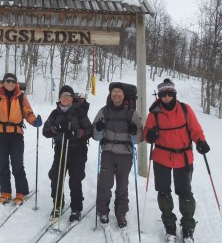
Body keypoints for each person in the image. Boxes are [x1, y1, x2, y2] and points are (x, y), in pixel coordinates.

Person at [143, 78, 210, 242]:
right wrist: (150, 135)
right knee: (164, 192)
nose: (166, 97)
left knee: (185, 193)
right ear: (159, 96)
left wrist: (200, 141)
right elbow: (146, 133)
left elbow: (195, 129)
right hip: (161, 157)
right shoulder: (154, 113)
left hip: (183, 157)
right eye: (163, 94)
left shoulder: (185, 110)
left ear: (174, 94)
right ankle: (169, 226)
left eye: (169, 94)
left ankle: (187, 227)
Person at [0, 73, 42, 205]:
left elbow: (28, 112)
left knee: (17, 164)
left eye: (14, 81)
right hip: (0, 133)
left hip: (16, 134)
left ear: (16, 84)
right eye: (8, 81)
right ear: (3, 82)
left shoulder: (20, 97)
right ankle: (5, 192)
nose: (11, 83)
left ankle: (21, 192)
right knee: (2, 164)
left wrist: (34, 120)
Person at [92, 83, 143, 228]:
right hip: (108, 152)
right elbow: (95, 135)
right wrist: (98, 129)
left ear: (124, 95)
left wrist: (134, 132)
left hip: (125, 154)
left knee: (122, 186)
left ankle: (121, 213)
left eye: (119, 92)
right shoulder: (104, 111)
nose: (116, 94)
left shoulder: (131, 113)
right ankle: (103, 211)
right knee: (105, 184)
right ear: (110, 94)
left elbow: (139, 138)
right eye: (114, 92)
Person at [42, 85, 92, 223]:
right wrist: (54, 129)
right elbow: (45, 131)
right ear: (59, 98)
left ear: (72, 98)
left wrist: (77, 133)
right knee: (56, 177)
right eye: (63, 95)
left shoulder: (79, 112)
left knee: (75, 180)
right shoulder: (55, 113)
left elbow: (89, 130)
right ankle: (58, 205)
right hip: (61, 149)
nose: (66, 98)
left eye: (68, 95)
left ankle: (76, 209)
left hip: (77, 150)